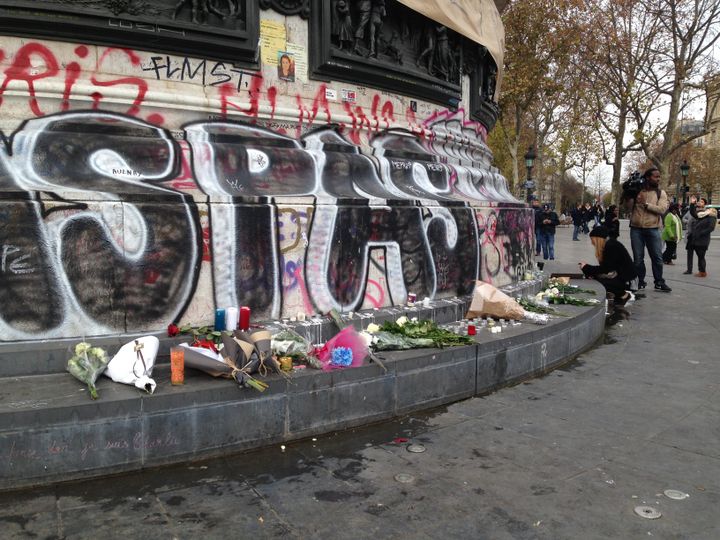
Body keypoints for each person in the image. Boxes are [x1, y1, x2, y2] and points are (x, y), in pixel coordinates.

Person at [626, 168, 671, 291]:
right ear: (647, 177)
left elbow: (662, 209)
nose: (658, 179)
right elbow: (628, 209)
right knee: (638, 258)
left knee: (657, 257)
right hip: (636, 229)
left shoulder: (660, 193)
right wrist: (630, 196)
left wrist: (646, 204)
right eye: (656, 177)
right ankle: (640, 281)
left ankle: (659, 281)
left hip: (653, 228)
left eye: (659, 177)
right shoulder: (638, 191)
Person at [580, 226, 638, 305]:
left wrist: (586, 267)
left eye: (592, 239)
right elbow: (607, 268)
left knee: (598, 283)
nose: (592, 243)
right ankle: (617, 294)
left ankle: (623, 295)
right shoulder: (609, 244)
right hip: (620, 276)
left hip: (627, 279)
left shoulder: (611, 246)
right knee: (593, 277)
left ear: (598, 239)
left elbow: (606, 269)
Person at [684, 196, 717, 277]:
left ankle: (702, 272)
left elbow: (711, 228)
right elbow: (693, 213)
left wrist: (701, 233)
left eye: (702, 202)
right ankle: (691, 269)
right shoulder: (701, 215)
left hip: (702, 240)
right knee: (693, 253)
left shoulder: (711, 217)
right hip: (694, 238)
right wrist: (692, 203)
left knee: (701, 256)